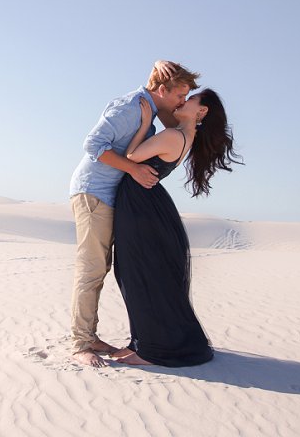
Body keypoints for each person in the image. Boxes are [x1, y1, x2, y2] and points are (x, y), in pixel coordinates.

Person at [68, 60, 201, 368]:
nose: (182, 102)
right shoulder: (132, 106)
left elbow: (177, 125)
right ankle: (80, 343)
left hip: (111, 196)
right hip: (94, 192)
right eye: (180, 95)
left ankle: (89, 336)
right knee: (91, 270)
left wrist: (158, 64)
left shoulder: (150, 111)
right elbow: (92, 144)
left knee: (102, 268)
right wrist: (134, 169)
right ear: (163, 90)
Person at [110, 88, 242, 367]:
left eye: (189, 99)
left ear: (202, 111)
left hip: (141, 206)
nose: (182, 101)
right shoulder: (184, 135)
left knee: (140, 274)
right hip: (145, 204)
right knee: (139, 273)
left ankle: (152, 350)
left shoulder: (173, 136)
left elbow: (131, 156)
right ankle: (142, 342)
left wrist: (145, 124)